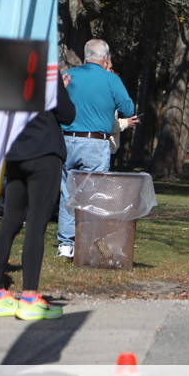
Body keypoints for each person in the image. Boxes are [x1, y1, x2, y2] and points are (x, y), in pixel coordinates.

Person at [0, 77, 76, 320]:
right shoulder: (47, 70)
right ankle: (29, 297)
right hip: (44, 151)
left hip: (15, 151)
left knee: (10, 222)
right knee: (36, 224)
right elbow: (67, 114)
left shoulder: (8, 70)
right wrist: (62, 90)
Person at [56, 40, 136, 258]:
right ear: (106, 58)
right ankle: (89, 241)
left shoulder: (69, 75)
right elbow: (128, 108)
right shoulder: (111, 79)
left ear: (85, 55)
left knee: (68, 193)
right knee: (94, 194)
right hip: (95, 142)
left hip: (67, 140)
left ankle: (66, 244)